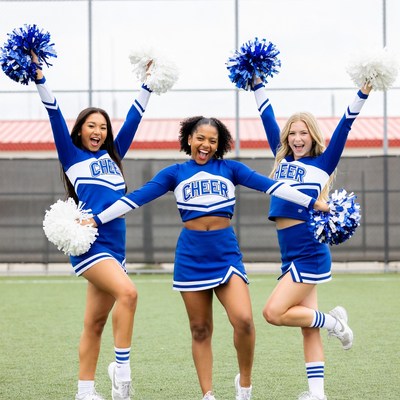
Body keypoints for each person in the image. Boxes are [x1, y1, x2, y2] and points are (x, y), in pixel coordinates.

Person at [82, 115, 329, 400]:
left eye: (213, 141)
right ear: (189, 139)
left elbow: (271, 186)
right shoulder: (175, 173)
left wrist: (313, 202)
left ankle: (244, 386)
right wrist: (96, 220)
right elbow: (135, 198)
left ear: (219, 144)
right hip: (191, 256)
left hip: (225, 253)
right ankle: (208, 394)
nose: (206, 145)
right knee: (200, 329)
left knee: (244, 321)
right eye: (200, 138)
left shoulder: (231, 169)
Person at [32, 53, 154, 400]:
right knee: (129, 293)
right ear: (81, 130)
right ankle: (122, 372)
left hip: (117, 246)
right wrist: (41, 78)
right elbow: (54, 114)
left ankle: (84, 391)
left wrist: (147, 84)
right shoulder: (72, 157)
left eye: (102, 127)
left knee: (95, 323)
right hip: (91, 244)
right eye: (91, 126)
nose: (98, 132)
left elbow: (134, 118)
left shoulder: (114, 158)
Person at [252, 76, 372, 400]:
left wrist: (362, 92)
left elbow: (346, 125)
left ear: (312, 136)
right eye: (292, 132)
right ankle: (317, 394)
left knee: (273, 313)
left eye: (303, 132)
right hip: (288, 252)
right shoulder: (280, 162)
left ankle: (335, 323)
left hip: (309, 250)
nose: (297, 138)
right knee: (307, 326)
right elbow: (266, 115)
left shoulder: (323, 163)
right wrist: (256, 83)